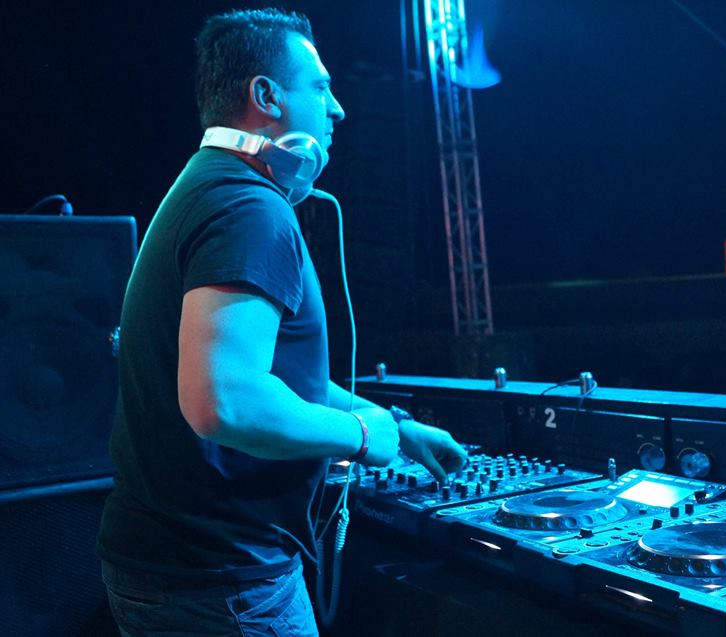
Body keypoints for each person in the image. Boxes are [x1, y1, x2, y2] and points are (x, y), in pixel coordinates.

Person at [97, 8, 468, 635]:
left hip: (173, 569)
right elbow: (226, 401)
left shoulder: (207, 187)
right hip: (225, 581)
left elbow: (276, 379)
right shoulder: (249, 209)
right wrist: (358, 435)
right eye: (320, 88)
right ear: (267, 97)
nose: (337, 109)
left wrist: (397, 428)